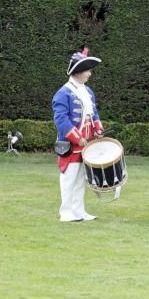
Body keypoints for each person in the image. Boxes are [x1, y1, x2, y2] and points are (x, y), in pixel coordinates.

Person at [52, 50, 103, 222]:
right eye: (87, 70)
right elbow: (61, 120)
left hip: (87, 144)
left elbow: (93, 113)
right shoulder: (63, 93)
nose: (90, 73)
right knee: (69, 179)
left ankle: (79, 211)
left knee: (81, 179)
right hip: (71, 145)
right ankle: (65, 212)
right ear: (78, 72)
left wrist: (98, 129)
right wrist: (77, 137)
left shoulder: (88, 92)